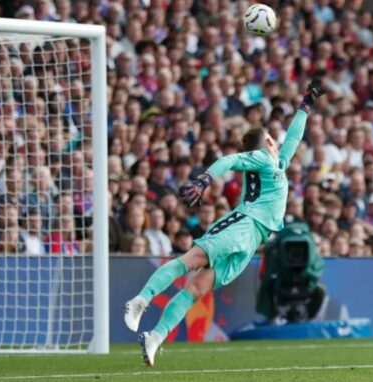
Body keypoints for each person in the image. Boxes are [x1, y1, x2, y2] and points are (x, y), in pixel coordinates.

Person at [123, 79, 324, 366]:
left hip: (253, 239)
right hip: (243, 223)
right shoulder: (261, 158)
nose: (275, 141)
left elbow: (293, 137)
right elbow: (229, 159)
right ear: (266, 142)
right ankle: (140, 300)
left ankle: (155, 336)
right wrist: (204, 180)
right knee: (192, 260)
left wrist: (306, 105)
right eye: (270, 138)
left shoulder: (279, 165)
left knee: (197, 288)